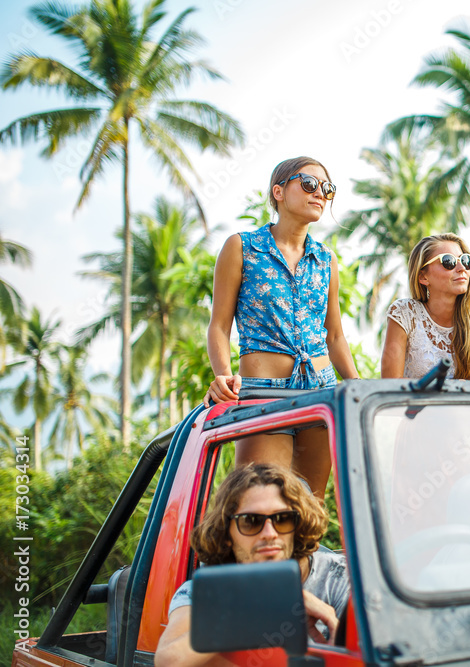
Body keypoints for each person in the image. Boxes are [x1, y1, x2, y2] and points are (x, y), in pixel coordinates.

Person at [202, 156, 360, 497]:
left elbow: (334, 336)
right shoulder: (242, 247)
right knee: (261, 499)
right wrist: (223, 375)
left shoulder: (326, 259)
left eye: (327, 188)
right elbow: (219, 326)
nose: (320, 193)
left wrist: (357, 386)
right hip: (262, 392)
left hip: (320, 391)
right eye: (309, 184)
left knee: (311, 506)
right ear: (279, 191)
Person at [154, 464, 349, 667]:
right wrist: (269, 605)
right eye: (251, 521)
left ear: (297, 526)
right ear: (226, 533)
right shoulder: (204, 593)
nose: (269, 533)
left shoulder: (341, 578)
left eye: (282, 519)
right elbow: (169, 661)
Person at [381, 233, 470, 381]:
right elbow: (390, 383)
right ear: (423, 277)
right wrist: (448, 389)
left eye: (465, 260)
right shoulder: (405, 314)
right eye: (448, 261)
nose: (461, 268)